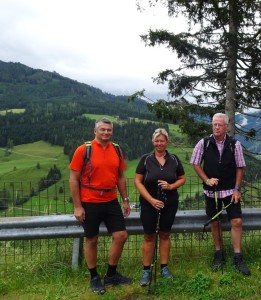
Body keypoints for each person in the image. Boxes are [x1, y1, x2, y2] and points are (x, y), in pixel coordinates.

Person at [69, 118, 132, 294]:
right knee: (92, 239)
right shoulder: (84, 150)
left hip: (111, 200)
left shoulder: (117, 150)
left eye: (109, 130)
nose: (106, 133)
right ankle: (94, 277)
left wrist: (125, 199)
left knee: (121, 235)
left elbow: (120, 177)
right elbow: (73, 179)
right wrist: (77, 206)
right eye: (102, 130)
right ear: (95, 131)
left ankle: (111, 275)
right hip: (89, 201)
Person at [190, 113, 250, 276]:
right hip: (212, 192)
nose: (216, 127)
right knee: (215, 222)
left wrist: (237, 188)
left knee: (236, 221)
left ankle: (237, 256)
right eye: (214, 124)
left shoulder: (234, 144)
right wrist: (206, 179)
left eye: (220, 125)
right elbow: (195, 162)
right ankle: (219, 254)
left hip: (231, 191)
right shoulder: (204, 143)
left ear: (226, 127)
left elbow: (240, 167)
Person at [134, 128, 186, 285]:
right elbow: (137, 181)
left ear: (167, 142)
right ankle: (146, 270)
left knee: (164, 234)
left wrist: (171, 186)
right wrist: (150, 200)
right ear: (153, 142)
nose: (159, 143)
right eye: (156, 141)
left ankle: (164, 267)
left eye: (162, 140)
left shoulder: (174, 159)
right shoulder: (145, 159)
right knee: (149, 235)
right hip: (149, 203)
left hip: (169, 203)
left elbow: (182, 178)